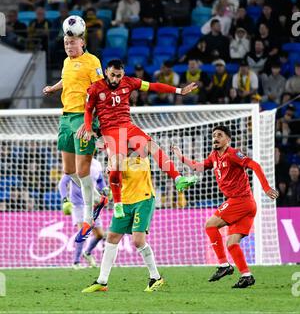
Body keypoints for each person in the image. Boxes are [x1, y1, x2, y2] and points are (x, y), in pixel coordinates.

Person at [77, 59, 198, 235]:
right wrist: (88, 129)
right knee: (117, 164)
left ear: (123, 75)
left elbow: (155, 86)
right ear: (106, 72)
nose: (116, 79)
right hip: (110, 131)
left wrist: (179, 91)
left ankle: (178, 179)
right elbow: (88, 111)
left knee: (153, 147)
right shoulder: (95, 88)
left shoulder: (129, 82)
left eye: (119, 75)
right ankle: (117, 204)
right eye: (112, 75)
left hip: (128, 126)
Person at [172, 126, 278, 288]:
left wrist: (265, 188)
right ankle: (246, 275)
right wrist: (180, 157)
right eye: (214, 135)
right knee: (232, 243)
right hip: (244, 204)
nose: (215, 138)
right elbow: (197, 166)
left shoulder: (233, 153)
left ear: (227, 139)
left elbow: (255, 165)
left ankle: (223, 265)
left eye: (219, 135)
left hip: (240, 201)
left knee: (210, 225)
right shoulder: (214, 156)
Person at [43, 25, 104, 240]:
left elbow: (100, 93)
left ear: (82, 43)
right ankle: (98, 197)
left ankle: (88, 219)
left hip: (82, 118)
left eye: (73, 42)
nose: (69, 45)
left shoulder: (93, 62)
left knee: (83, 170)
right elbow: (67, 80)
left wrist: (89, 123)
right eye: (66, 43)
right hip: (66, 117)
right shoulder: (67, 62)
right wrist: (54, 88)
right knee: (69, 170)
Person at [81, 149, 164, 293]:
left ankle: (155, 277)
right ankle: (102, 281)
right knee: (112, 237)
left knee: (138, 240)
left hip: (143, 199)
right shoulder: (114, 156)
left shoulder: (140, 151)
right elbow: (115, 179)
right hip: (124, 201)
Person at [59, 158, 109, 269]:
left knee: (100, 234)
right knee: (83, 231)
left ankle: (87, 253)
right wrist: (64, 199)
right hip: (78, 204)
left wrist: (104, 188)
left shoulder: (97, 164)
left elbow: (100, 180)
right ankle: (76, 262)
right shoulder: (76, 162)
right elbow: (63, 183)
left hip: (92, 204)